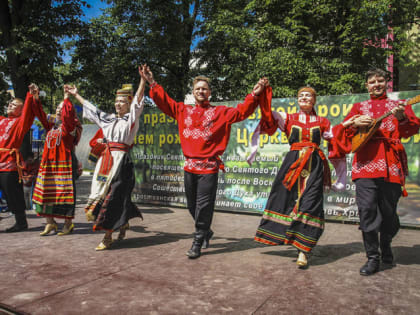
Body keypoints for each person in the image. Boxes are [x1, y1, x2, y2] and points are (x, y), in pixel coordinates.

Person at [140, 64, 268, 259]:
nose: (201, 91)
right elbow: (164, 102)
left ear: (209, 92)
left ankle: (198, 241)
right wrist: (152, 82)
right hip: (190, 166)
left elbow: (242, 111)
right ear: (193, 92)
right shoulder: (183, 110)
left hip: (209, 167)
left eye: (204, 88)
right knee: (192, 206)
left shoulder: (220, 113)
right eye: (197, 88)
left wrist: (254, 94)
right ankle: (206, 231)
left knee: (204, 206)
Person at [252, 86, 352, 268]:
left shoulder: (322, 121)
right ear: (297, 100)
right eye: (301, 95)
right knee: (284, 199)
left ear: (314, 100)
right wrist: (263, 92)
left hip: (314, 165)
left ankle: (303, 250)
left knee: (311, 202)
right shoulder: (287, 118)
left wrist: (345, 125)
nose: (304, 97)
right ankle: (286, 237)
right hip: (292, 164)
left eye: (308, 96)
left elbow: (335, 136)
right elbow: (267, 114)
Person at [332, 68, 420, 275]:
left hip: (391, 165)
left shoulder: (399, 106)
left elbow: (412, 129)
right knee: (367, 210)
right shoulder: (358, 107)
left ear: (386, 83)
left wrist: (402, 119)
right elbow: (342, 134)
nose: (376, 84)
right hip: (364, 166)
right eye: (372, 81)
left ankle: (386, 242)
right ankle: (373, 257)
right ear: (367, 85)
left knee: (389, 214)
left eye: (380, 81)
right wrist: (354, 122)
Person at [66, 67, 146, 250]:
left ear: (128, 103)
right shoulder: (108, 119)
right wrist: (76, 95)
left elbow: (138, 103)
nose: (118, 104)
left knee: (113, 198)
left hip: (121, 163)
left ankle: (107, 236)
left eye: (122, 101)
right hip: (105, 162)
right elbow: (92, 109)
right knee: (102, 195)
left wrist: (142, 82)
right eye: (116, 101)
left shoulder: (131, 120)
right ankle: (123, 221)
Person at [32, 88, 82, 236]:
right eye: (57, 108)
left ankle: (68, 224)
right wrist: (35, 98)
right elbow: (40, 115)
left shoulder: (71, 126)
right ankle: (50, 223)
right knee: (44, 193)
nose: (59, 111)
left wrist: (66, 98)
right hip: (48, 164)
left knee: (65, 194)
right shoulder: (52, 125)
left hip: (64, 164)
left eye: (62, 108)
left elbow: (67, 116)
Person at [0, 84, 49, 232]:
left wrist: (30, 95)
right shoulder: (2, 120)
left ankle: (21, 222)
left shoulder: (20, 123)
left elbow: (28, 112)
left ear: (21, 110)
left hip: (9, 163)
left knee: (13, 194)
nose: (10, 105)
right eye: (10, 103)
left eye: (14, 104)